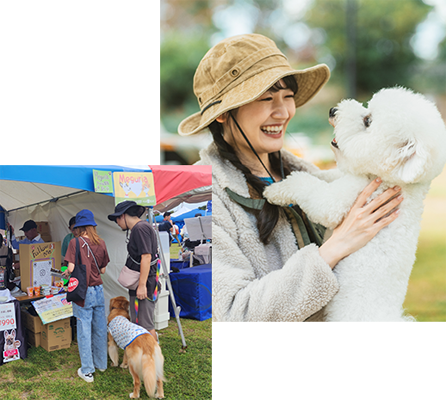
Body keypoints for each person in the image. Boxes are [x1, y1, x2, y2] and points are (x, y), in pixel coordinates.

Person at [178, 33, 403, 321]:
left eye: (288, 97)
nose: (283, 112)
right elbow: (234, 313)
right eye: (266, 98)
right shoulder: (204, 197)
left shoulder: (315, 181)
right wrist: (333, 250)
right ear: (223, 114)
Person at [62, 209, 109, 383]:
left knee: (83, 329)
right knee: (99, 328)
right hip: (98, 289)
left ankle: (87, 370)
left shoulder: (75, 243)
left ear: (79, 226)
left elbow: (72, 268)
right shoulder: (102, 242)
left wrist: (67, 272)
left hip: (83, 291)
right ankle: (101, 363)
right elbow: (103, 269)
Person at [108, 201, 159, 339]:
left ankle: (152, 358)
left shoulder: (140, 228)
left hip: (145, 284)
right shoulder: (139, 228)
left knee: (145, 326)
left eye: (117, 219)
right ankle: (144, 357)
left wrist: (142, 286)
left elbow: (146, 256)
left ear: (123, 216)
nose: (117, 223)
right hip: (140, 283)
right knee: (139, 324)